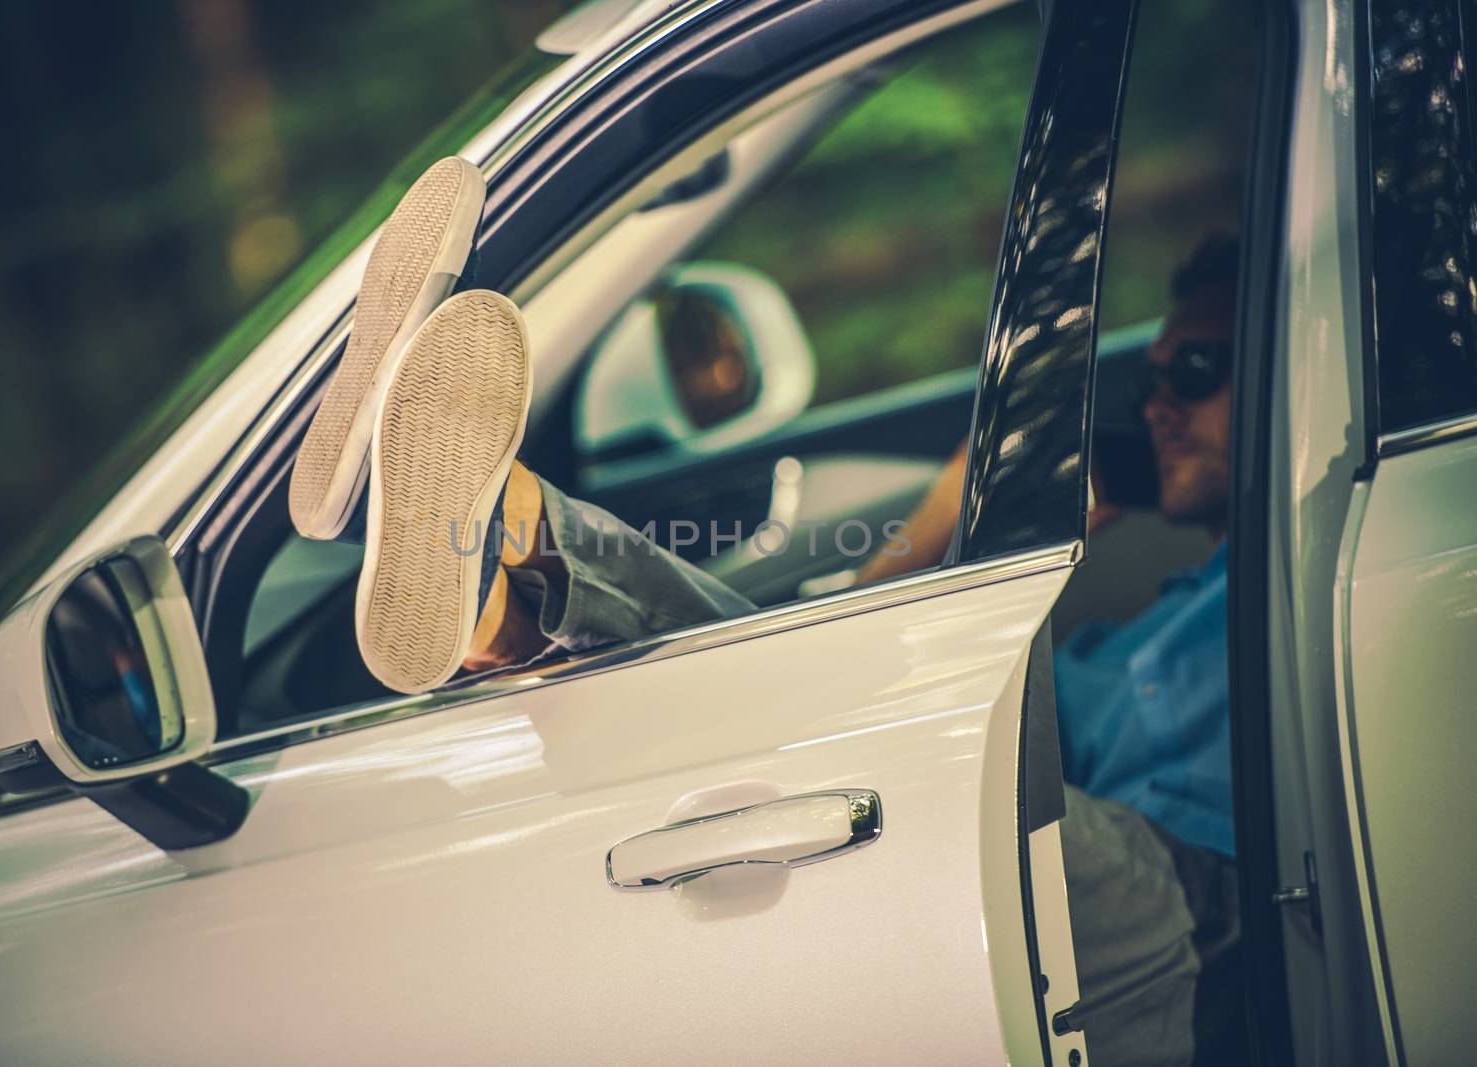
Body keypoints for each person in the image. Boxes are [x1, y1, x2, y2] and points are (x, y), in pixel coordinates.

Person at [290, 172, 1241, 1065]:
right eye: (1151, 381)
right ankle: (494, 615)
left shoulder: (1293, 572)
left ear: (1284, 360)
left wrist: (985, 523)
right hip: (1075, 850)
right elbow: (903, 659)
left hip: (1188, 902)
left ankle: (507, 524)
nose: (1159, 406)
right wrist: (954, 507)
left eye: (1195, 371)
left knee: (811, 714)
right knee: (808, 689)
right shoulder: (1135, 630)